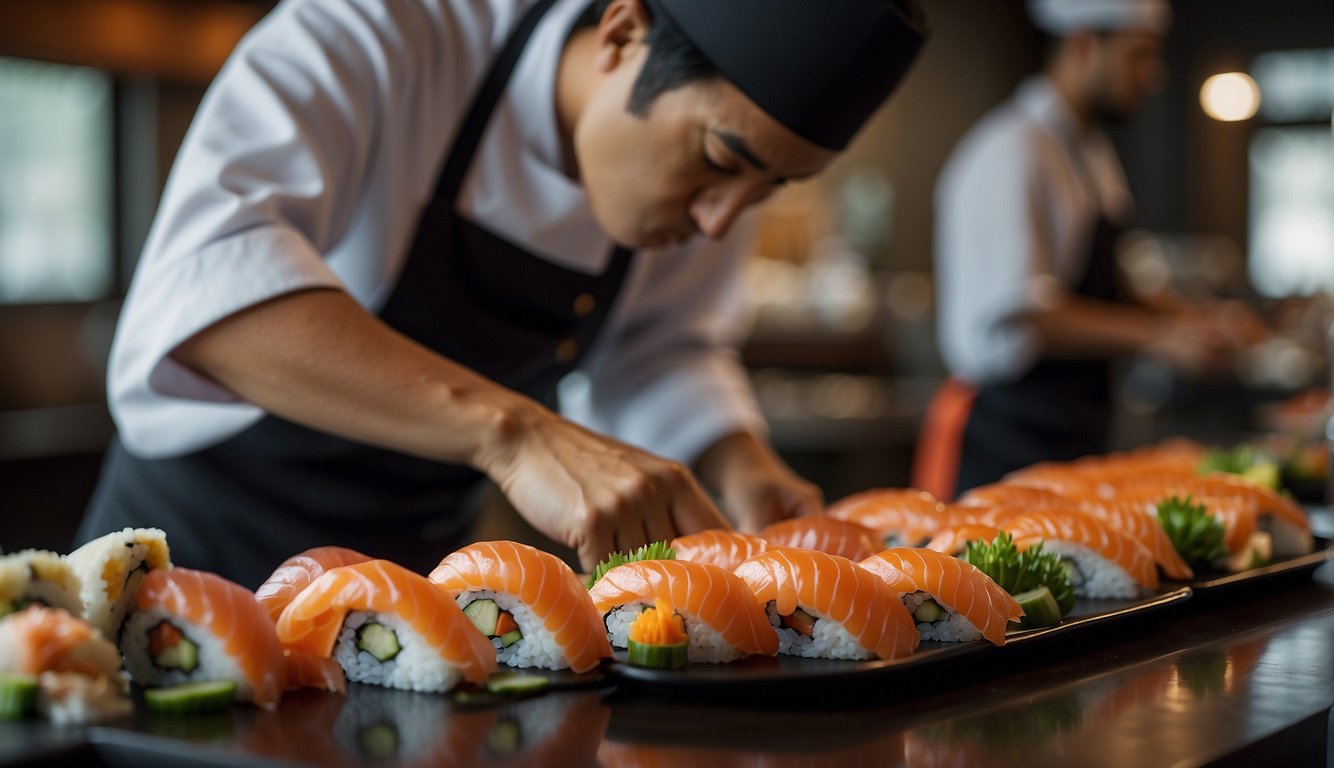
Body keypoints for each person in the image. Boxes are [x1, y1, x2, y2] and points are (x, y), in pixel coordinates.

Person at [77, 0, 929, 586]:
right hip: (195, 558)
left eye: (771, 188)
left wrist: (741, 465)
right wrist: (517, 433)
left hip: (410, 597)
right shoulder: (380, 34)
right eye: (719, 161)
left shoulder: (702, 195)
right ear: (622, 34)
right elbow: (209, 298)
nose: (721, 222)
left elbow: (661, 348)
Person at [914, 0, 1262, 499]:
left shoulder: (1090, 152)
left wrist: (1199, 318)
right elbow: (1026, 312)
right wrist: (1161, 337)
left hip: (1072, 426)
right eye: (1139, 56)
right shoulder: (1010, 152)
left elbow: (1107, 280)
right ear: (1083, 45)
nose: (1153, 74)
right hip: (1005, 431)